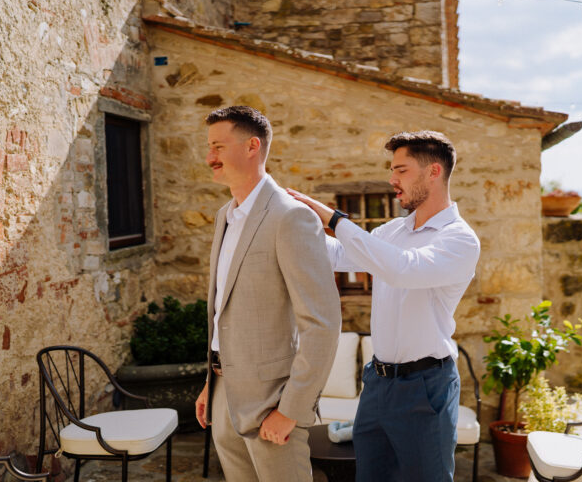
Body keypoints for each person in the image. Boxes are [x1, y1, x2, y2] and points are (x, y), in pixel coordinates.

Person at [288, 130, 480, 482]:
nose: (392, 180)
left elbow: (404, 268)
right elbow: (338, 256)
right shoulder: (391, 232)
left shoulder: (459, 239)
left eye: (401, 170)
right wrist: (296, 223)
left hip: (426, 385)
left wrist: (335, 220)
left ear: (434, 171)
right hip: (377, 382)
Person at [194, 106, 341, 482]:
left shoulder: (290, 217)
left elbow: (321, 323)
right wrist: (212, 386)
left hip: (272, 404)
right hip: (225, 393)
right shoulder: (224, 216)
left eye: (218, 146)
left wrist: (291, 409)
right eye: (209, 147)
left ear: (251, 147)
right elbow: (224, 313)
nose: (209, 157)